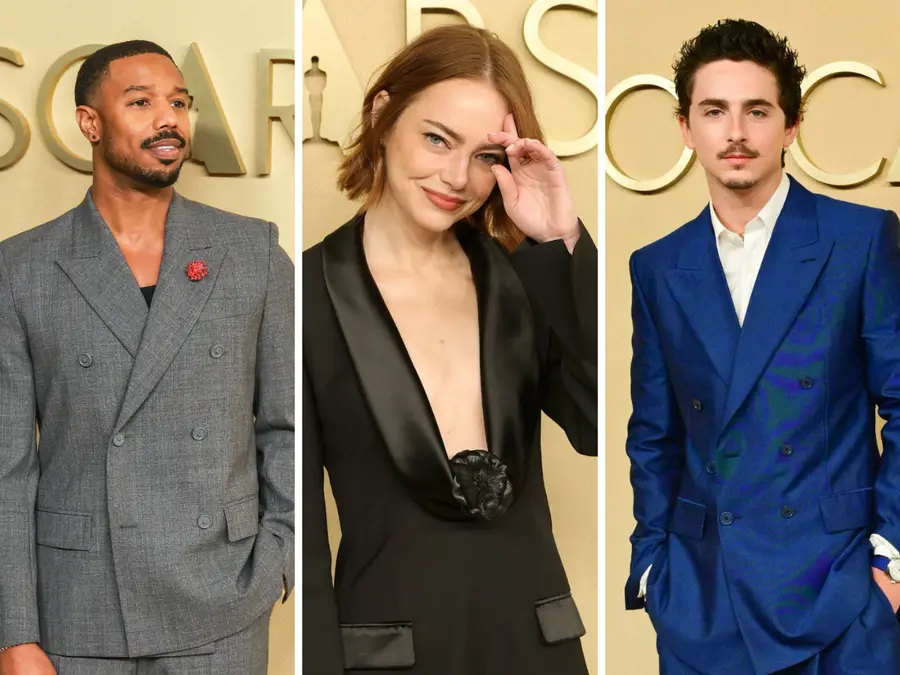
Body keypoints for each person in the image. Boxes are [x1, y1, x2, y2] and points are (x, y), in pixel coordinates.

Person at [303, 24, 597, 675]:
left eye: (486, 156)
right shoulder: (302, 298)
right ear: (383, 115)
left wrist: (562, 243)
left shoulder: (527, 276)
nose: (457, 177)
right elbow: (301, 536)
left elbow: (599, 421)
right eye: (437, 138)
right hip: (390, 655)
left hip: (538, 647)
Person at [0, 41, 293, 675]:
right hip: (77, 608)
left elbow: (288, 425)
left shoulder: (252, 254)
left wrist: (280, 554)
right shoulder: (21, 269)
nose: (170, 120)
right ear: (90, 123)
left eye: (180, 103)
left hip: (223, 602)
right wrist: (14, 632)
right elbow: (7, 466)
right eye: (141, 102)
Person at [625, 18, 900, 674]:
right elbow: (654, 434)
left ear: (792, 123)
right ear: (685, 127)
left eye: (757, 110)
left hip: (840, 596)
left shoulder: (859, 239)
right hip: (702, 601)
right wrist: (653, 563)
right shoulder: (657, 266)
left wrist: (888, 561)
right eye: (714, 110)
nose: (736, 132)